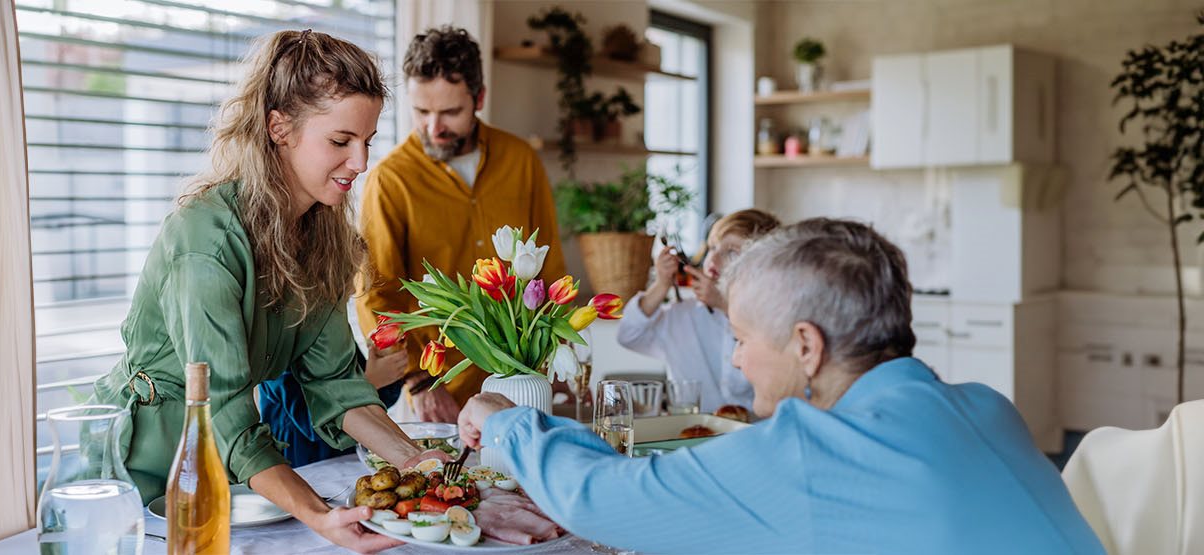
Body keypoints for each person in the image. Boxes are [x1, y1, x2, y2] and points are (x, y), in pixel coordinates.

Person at [457, 218, 1105, 554]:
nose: (736, 361)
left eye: (741, 336)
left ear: (805, 345)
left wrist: (502, 419)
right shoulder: (988, 407)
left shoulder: (813, 448)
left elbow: (597, 497)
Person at [89, 30, 440, 553]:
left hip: (223, 470)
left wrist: (422, 465)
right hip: (142, 471)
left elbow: (337, 384)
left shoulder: (319, 237)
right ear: (279, 126)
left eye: (367, 141)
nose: (361, 162)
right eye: (340, 141)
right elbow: (221, 409)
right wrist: (322, 517)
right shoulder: (204, 239)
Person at [357, 25, 565, 423]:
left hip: (522, 382)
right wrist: (417, 380)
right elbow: (377, 296)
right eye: (421, 111)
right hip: (436, 393)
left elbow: (549, 267)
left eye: (450, 112)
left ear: (479, 98)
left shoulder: (521, 160)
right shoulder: (389, 180)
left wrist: (556, 362)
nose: (433, 127)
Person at [617, 209, 779, 414]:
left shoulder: (773, 323)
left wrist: (726, 306)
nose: (714, 258)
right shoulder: (682, 315)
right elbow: (628, 335)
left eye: (731, 252)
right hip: (689, 433)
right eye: (712, 247)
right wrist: (661, 284)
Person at [257, 342, 409, 467]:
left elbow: (377, 402)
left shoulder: (336, 339)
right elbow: (312, 423)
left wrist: (388, 369)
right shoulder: (278, 350)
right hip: (304, 462)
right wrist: (371, 381)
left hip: (350, 454)